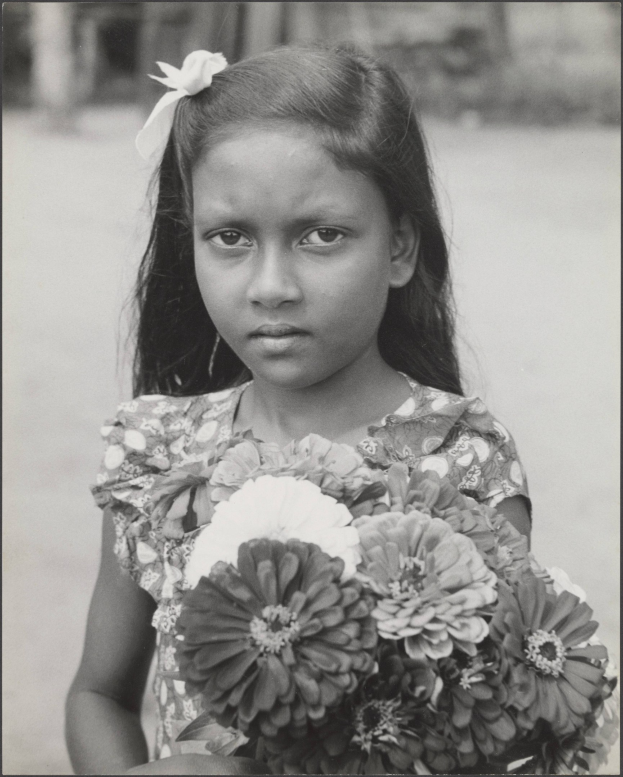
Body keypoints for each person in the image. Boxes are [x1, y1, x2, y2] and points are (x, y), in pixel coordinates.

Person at [66, 44, 531, 775]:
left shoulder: (460, 456)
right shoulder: (155, 452)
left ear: (400, 246)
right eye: (231, 238)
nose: (271, 286)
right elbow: (99, 694)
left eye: (322, 236)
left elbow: (503, 725)